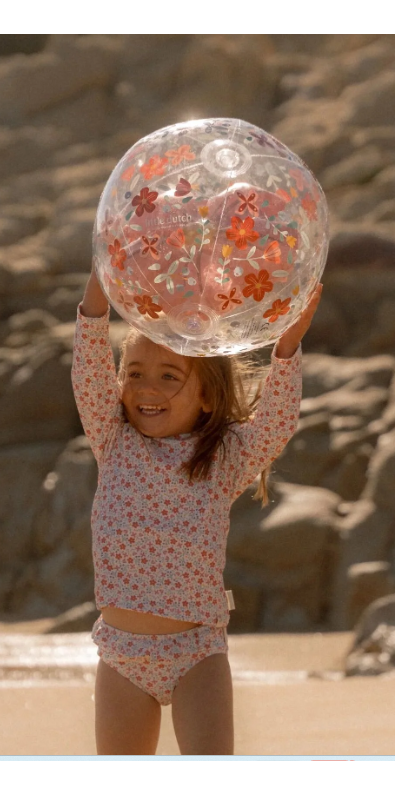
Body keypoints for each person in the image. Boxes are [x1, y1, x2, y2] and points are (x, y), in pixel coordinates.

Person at [71, 268, 322, 755]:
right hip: (123, 655)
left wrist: (288, 346)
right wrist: (100, 286)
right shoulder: (113, 439)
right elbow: (88, 370)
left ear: (206, 395)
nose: (148, 388)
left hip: (196, 653)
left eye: (169, 377)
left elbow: (274, 424)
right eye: (135, 374)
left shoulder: (223, 458)